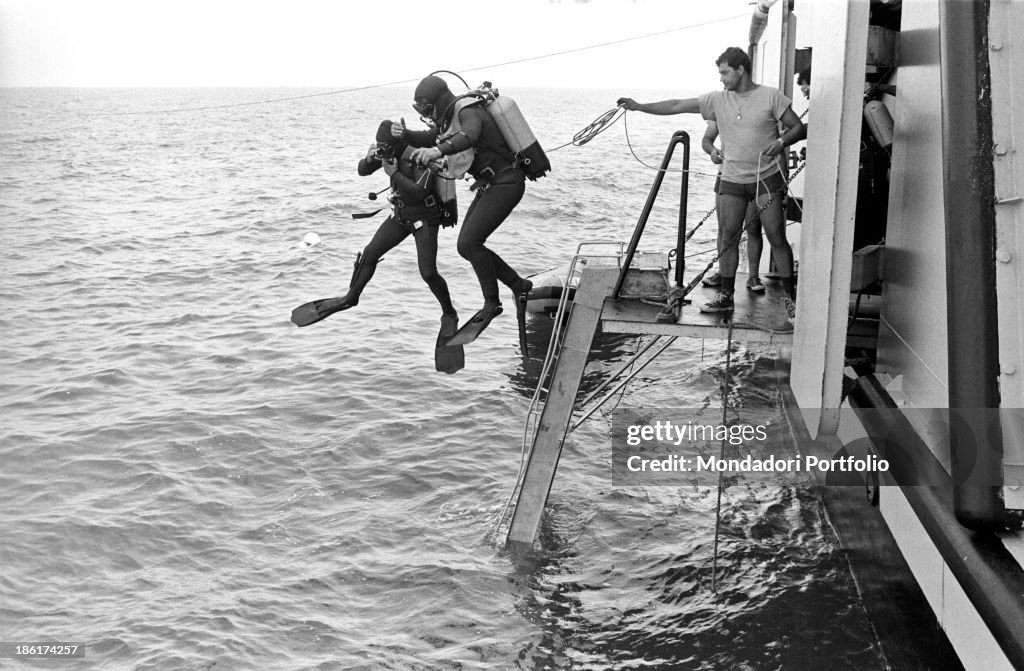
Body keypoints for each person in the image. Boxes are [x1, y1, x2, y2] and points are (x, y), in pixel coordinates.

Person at [618, 47, 805, 324]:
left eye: (725, 72)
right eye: (720, 73)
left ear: (741, 69)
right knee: (728, 237)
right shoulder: (717, 100)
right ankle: (726, 298)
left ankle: (791, 299)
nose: (722, 78)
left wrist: (781, 142)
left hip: (765, 178)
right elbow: (677, 105)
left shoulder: (771, 96)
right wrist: (639, 106)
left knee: (776, 235)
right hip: (730, 179)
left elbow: (798, 127)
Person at [392, 75, 533, 343]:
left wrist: (437, 151)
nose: (426, 114)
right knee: (465, 246)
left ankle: (492, 303)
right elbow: (429, 136)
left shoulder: (468, 111)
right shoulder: (449, 120)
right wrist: (404, 135)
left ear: (437, 102)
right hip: (492, 185)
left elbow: (470, 135)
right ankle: (519, 286)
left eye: (426, 107)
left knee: (470, 242)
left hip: (507, 182)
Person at [293, 119, 458, 329]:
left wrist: (394, 173)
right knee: (370, 254)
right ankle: (350, 297)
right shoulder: (388, 155)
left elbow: (420, 192)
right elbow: (362, 170)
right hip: (400, 215)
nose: (383, 151)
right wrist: (370, 157)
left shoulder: (418, 155)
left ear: (397, 143)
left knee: (428, 272)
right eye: (380, 146)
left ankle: (449, 313)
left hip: (424, 218)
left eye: (385, 146)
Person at [701, 121, 766, 294]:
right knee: (725, 229)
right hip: (726, 175)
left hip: (753, 175)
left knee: (753, 227)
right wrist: (713, 151)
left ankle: (753, 276)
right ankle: (723, 272)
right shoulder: (720, 109)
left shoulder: (757, 108)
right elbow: (707, 139)